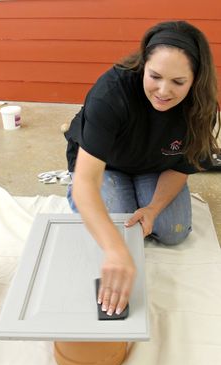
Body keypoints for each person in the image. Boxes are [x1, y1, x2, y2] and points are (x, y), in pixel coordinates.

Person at [64, 20, 220, 317]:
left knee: (172, 231)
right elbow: (87, 180)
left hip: (155, 165)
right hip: (105, 165)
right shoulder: (110, 93)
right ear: (143, 65)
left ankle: (139, 199)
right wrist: (114, 251)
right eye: (155, 76)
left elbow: (181, 168)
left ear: (195, 80)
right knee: (118, 232)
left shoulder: (202, 109)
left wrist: (153, 208)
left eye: (178, 82)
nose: (163, 91)